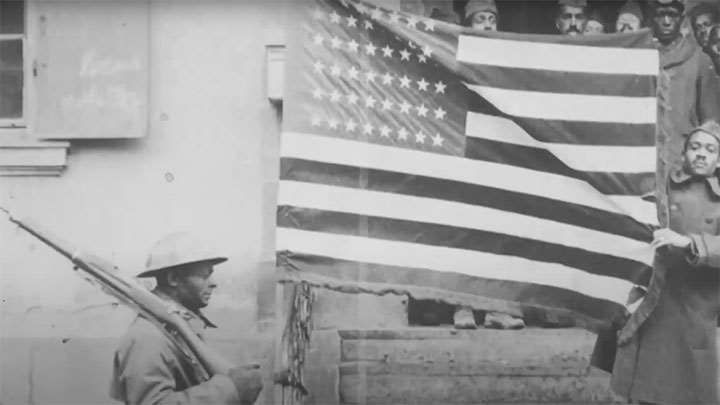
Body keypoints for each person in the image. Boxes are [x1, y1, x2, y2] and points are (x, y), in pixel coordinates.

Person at [610, 121, 720, 405]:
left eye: (710, 150)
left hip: (699, 299)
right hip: (658, 293)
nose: (701, 154)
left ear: (718, 160)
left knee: (692, 379)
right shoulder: (663, 186)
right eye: (694, 147)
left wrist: (692, 243)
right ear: (683, 154)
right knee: (648, 376)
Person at [109, 232, 264, 405]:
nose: (213, 283)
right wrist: (228, 390)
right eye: (204, 275)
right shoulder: (148, 337)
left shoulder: (177, 325)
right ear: (173, 278)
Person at [648, 0, 720, 227]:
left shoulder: (700, 59)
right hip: (645, 161)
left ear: (681, 18)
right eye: (661, 14)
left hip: (684, 166)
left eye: (672, 14)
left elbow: (711, 126)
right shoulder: (640, 55)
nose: (667, 21)